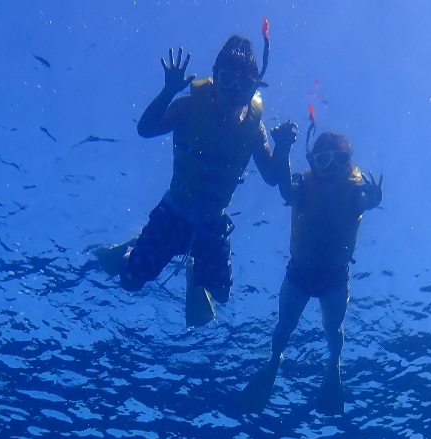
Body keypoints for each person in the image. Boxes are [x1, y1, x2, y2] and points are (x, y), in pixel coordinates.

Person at [98, 29, 293, 327]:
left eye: (244, 84)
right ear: (214, 78)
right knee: (129, 281)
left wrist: (283, 148)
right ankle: (131, 249)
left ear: (254, 88)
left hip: (212, 223)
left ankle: (194, 271)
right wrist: (168, 91)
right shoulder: (188, 108)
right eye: (227, 80)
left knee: (222, 293)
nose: (234, 91)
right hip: (173, 213)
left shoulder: (254, 130)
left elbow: (270, 177)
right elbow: (145, 129)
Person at [239, 129, 382, 415]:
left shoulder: (356, 193)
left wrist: (374, 199)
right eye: (323, 160)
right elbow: (285, 189)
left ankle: (334, 362)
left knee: (333, 328)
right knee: (284, 326)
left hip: (334, 277)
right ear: (312, 162)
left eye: (340, 160)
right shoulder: (303, 187)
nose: (332, 168)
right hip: (300, 274)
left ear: (350, 162)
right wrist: (283, 150)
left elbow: (365, 201)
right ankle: (275, 360)